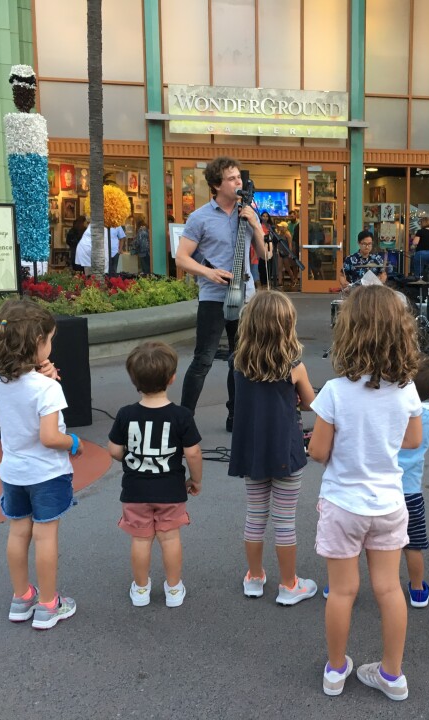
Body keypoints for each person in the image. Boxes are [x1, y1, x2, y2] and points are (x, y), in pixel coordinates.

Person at [308, 285, 423, 701]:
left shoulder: (335, 392)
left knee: (342, 591)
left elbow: (319, 451)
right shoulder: (407, 390)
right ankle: (392, 675)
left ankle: (336, 670)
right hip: (389, 503)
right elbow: (412, 441)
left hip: (343, 504)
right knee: (389, 589)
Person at [0, 299, 83, 631]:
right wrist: (75, 444)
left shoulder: (0, 378)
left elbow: (25, 392)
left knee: (18, 530)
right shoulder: (47, 389)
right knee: (45, 535)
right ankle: (49, 604)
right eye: (49, 340)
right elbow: (51, 436)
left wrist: (44, 376)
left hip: (12, 471)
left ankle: (21, 597)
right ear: (37, 344)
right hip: (46, 472)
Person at [228, 291, 318, 605]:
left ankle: (254, 577)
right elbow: (310, 404)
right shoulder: (295, 367)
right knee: (284, 520)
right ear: (286, 326)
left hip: (252, 450)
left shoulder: (239, 364)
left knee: (255, 516)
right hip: (286, 451)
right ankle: (289, 584)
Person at [175, 156, 268, 431]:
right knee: (203, 359)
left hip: (246, 296)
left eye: (239, 177)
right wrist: (208, 273)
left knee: (240, 359)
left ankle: (235, 416)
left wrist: (256, 226)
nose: (238, 182)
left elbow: (265, 255)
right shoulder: (200, 217)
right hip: (213, 297)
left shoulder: (248, 210)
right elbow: (181, 258)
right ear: (216, 185)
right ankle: (184, 419)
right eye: (231, 178)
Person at [107, 341, 203, 608]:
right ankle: (173, 590)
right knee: (170, 538)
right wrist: (195, 480)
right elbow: (193, 453)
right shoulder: (181, 415)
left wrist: (130, 454)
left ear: (133, 379)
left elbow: (114, 450)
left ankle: (140, 590)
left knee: (140, 539)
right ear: (172, 378)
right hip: (171, 490)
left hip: (135, 491)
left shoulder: (126, 414)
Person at [398, 355, 429, 608]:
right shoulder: (427, 419)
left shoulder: (395, 409)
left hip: (384, 488)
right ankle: (417, 589)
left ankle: (340, 584)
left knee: (359, 543)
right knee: (413, 545)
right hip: (412, 492)